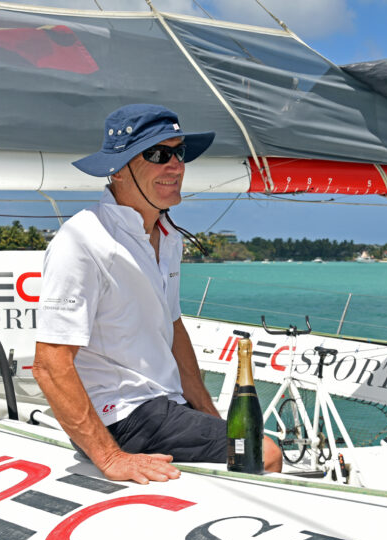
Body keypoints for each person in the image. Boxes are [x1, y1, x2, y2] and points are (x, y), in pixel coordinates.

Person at [33, 104, 282, 484]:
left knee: (241, 441)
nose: (176, 166)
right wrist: (110, 458)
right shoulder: (82, 240)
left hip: (161, 406)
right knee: (262, 452)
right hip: (120, 416)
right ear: (117, 169)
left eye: (179, 153)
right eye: (158, 154)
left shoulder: (168, 237)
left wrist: (207, 413)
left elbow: (172, 326)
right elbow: (50, 363)